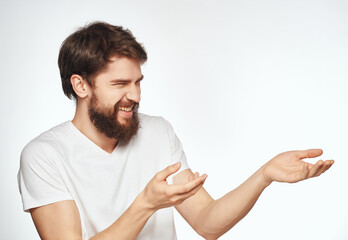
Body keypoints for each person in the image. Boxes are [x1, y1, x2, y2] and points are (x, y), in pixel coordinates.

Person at [17, 21, 334, 240]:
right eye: (120, 84)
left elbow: (207, 223)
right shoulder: (44, 155)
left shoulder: (157, 132)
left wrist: (264, 175)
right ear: (81, 85)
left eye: (138, 82)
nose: (136, 96)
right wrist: (146, 204)